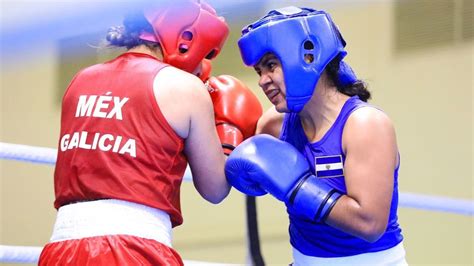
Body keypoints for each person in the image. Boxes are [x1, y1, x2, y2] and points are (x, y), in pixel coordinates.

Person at [39, 1, 262, 265]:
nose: (203, 68)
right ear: (185, 38)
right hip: (134, 251)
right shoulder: (186, 87)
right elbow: (215, 190)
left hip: (60, 250)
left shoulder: (80, 80)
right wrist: (228, 137)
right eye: (204, 53)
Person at [225, 6, 407, 265]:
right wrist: (221, 130)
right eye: (258, 71)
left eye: (271, 66)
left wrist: (298, 187)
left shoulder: (365, 125)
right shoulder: (274, 125)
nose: (263, 81)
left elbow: (370, 223)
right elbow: (229, 181)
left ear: (306, 57)